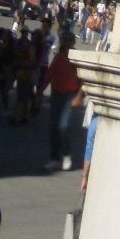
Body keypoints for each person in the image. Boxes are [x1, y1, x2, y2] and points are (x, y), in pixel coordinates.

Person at [45, 33, 82, 170]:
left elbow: (83, 79)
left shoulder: (77, 57)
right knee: (53, 126)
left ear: (72, 42)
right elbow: (50, 74)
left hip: (70, 95)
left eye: (68, 40)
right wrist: (39, 91)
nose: (66, 43)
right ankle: (54, 158)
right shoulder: (59, 57)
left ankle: (66, 154)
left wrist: (79, 96)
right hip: (56, 94)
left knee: (63, 126)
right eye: (64, 40)